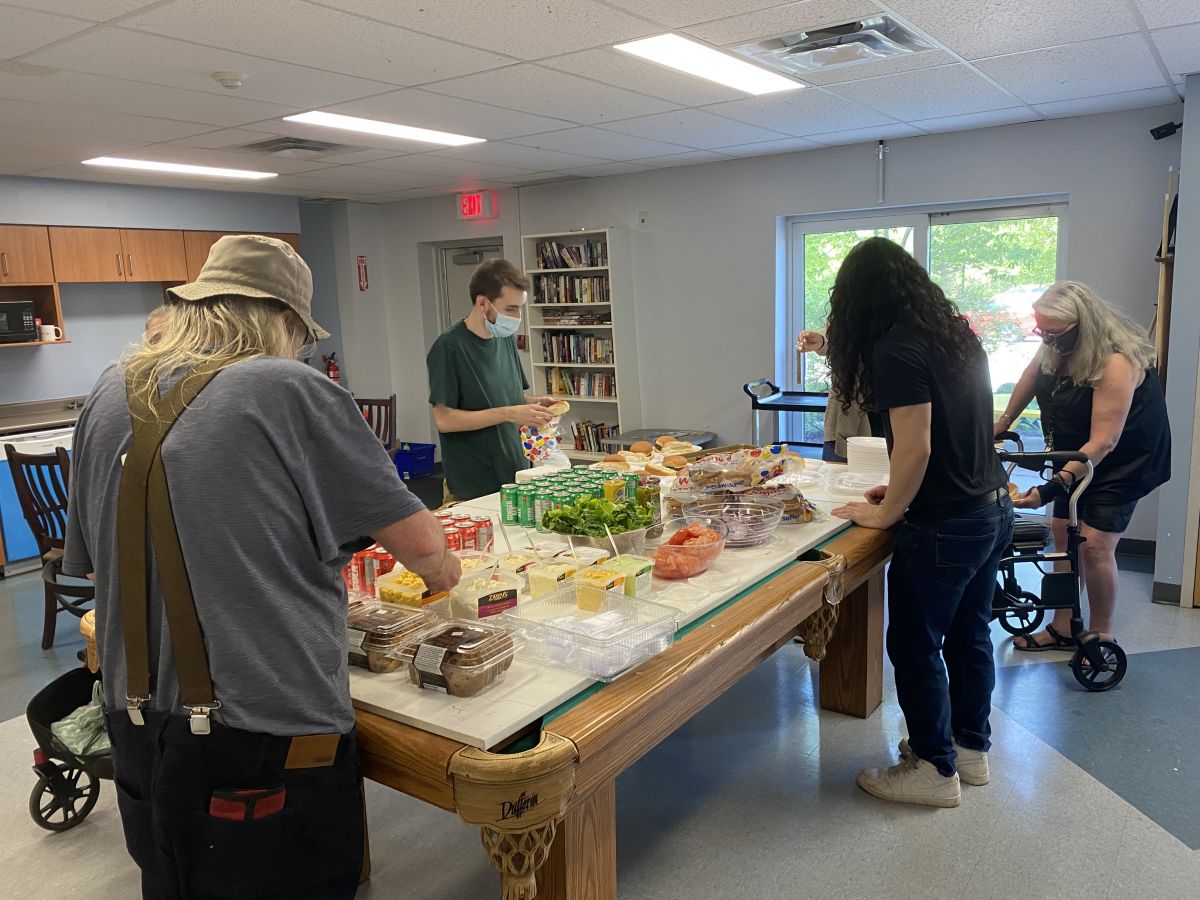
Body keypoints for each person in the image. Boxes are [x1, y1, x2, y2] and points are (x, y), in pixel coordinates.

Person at [63, 235, 461, 899]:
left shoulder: (110, 388)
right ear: (284, 321)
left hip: (133, 715)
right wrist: (447, 572)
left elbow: (100, 561)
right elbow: (424, 552)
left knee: (173, 878)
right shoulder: (285, 387)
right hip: (263, 726)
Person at [827, 237, 1013, 809]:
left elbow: (917, 448)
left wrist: (890, 509)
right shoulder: (955, 334)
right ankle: (969, 748)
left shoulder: (896, 349)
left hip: (947, 524)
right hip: (990, 505)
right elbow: (963, 432)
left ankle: (932, 769)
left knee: (913, 644)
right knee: (969, 634)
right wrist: (906, 489)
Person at [996, 281, 1170, 651]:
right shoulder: (1056, 346)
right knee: (1063, 536)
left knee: (1093, 545)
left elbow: (1105, 440)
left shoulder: (1115, 360)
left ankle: (1101, 634)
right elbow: (1031, 376)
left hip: (1124, 459)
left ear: (1081, 325)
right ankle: (1062, 626)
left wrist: (1049, 488)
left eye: (1054, 333)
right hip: (1077, 452)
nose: (1047, 339)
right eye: (1041, 331)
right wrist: (1001, 423)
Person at [427, 258, 559, 502]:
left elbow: (510, 396)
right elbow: (444, 420)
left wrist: (536, 404)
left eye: (520, 307)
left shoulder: (503, 337)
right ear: (482, 303)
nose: (518, 317)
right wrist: (510, 413)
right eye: (510, 309)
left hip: (516, 477)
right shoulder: (449, 347)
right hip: (474, 487)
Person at [796, 328, 879, 461]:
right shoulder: (845, 313)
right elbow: (833, 343)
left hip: (894, 414)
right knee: (836, 476)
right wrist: (822, 342)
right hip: (846, 411)